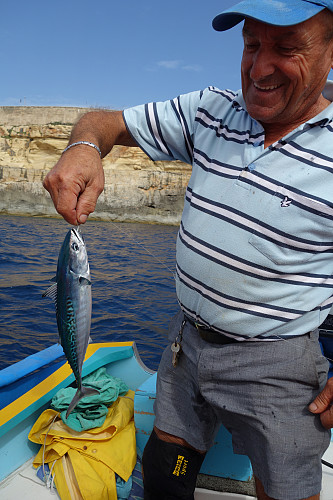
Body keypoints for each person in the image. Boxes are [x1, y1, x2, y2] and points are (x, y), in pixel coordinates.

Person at [43, 0, 333, 498]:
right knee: (165, 473)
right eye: (251, 45)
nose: (260, 68)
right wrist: (83, 147)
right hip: (186, 346)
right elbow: (103, 121)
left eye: (286, 48)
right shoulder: (209, 111)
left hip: (280, 364)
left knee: (283, 489)